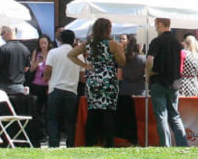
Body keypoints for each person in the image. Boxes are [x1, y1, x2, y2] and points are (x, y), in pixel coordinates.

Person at [70, 18, 124, 147]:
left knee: (93, 112)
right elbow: (122, 62)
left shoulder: (88, 44)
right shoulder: (113, 44)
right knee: (109, 112)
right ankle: (108, 142)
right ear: (108, 29)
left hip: (93, 80)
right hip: (109, 80)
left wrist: (84, 65)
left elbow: (71, 54)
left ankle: (90, 142)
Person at [145, 18, 188, 147]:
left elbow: (149, 60)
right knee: (175, 115)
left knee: (162, 115)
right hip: (174, 83)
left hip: (158, 81)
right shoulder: (177, 43)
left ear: (160, 24)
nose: (155, 28)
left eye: (156, 25)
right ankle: (183, 144)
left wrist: (148, 73)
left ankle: (165, 145)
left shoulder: (157, 41)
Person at [42, 29, 80, 148]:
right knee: (70, 121)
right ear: (73, 40)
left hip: (56, 89)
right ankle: (71, 144)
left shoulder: (53, 52)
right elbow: (83, 76)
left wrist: (46, 79)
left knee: (53, 119)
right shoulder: (78, 54)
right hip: (71, 91)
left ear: (60, 39)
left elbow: (47, 71)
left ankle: (53, 144)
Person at [117, 35, 147, 145]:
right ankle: (141, 140)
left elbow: (119, 77)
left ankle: (129, 140)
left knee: (127, 119)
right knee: (141, 119)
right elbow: (147, 76)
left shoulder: (122, 58)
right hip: (140, 92)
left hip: (125, 91)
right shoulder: (143, 59)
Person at [28, 35, 53, 109]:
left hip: (48, 83)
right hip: (37, 83)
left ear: (48, 43)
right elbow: (31, 69)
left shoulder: (51, 53)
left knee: (47, 107)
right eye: (41, 43)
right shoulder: (36, 52)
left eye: (45, 43)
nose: (43, 45)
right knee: (37, 106)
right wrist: (37, 62)